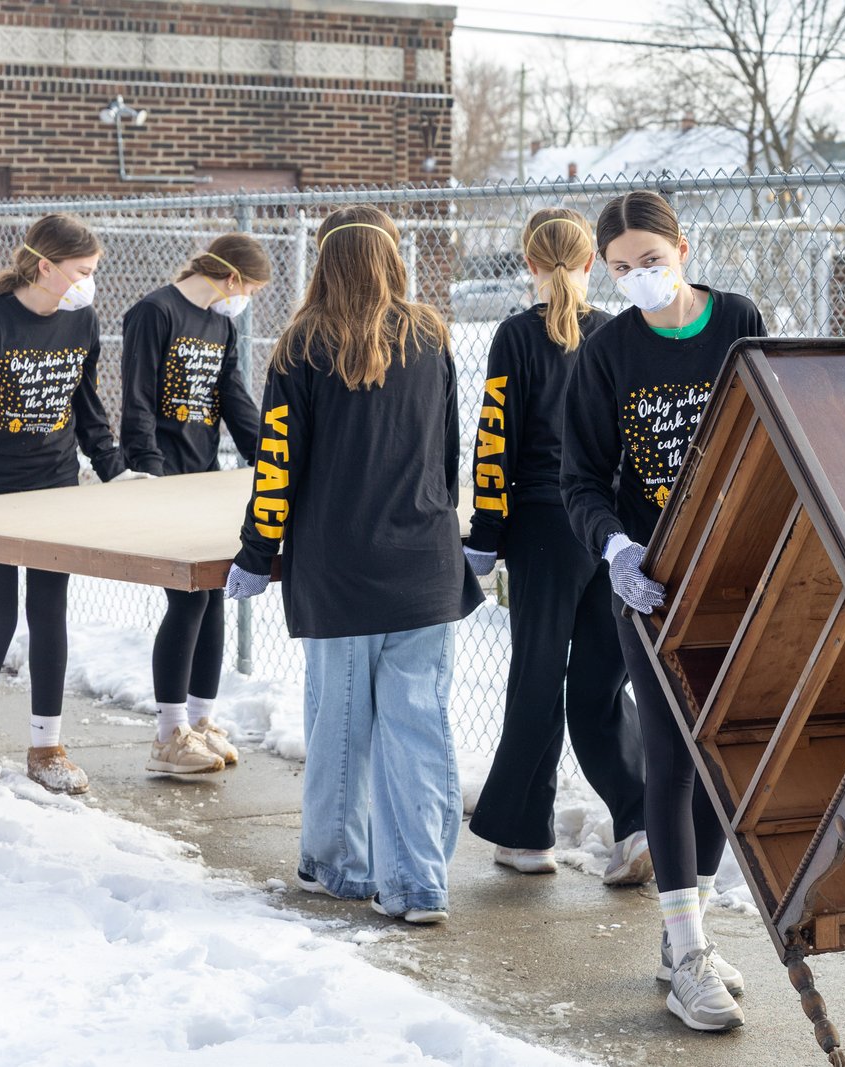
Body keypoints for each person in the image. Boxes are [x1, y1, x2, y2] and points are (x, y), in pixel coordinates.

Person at [223, 205, 482, 925]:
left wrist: (256, 553)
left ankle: (340, 866)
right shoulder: (432, 336)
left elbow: (277, 464)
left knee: (340, 723)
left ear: (325, 263)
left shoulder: (301, 344)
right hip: (426, 563)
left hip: (338, 570)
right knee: (420, 726)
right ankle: (420, 883)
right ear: (392, 260)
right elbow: (447, 454)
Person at [561, 190, 765, 1033]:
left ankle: (692, 933)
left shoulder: (739, 320)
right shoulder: (607, 352)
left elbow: (775, 428)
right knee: (674, 762)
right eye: (619, 269)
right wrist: (615, 550)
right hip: (653, 587)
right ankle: (685, 957)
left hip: (741, 576)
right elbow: (580, 478)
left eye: (650, 260)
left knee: (724, 762)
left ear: (684, 247)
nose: (639, 278)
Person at [464, 208, 649, 883]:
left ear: (530, 264)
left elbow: (494, 444)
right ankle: (640, 824)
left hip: (544, 526)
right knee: (603, 683)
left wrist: (486, 537)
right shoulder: (619, 334)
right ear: (592, 263)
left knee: (537, 679)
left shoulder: (514, 337)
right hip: (611, 532)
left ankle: (524, 835)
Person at [0, 214, 144, 794]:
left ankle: (46, 746)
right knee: (0, 615)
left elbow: (87, 406)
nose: (90, 282)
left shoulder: (81, 317)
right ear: (45, 267)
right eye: (83, 271)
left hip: (56, 485)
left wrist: (114, 471)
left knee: (50, 612)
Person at [121, 233, 269, 779]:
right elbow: (135, 398)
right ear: (232, 278)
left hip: (203, 477)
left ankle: (201, 720)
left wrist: (270, 457)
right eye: (250, 287)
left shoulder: (221, 324)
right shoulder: (154, 312)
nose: (248, 297)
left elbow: (232, 397)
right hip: (164, 479)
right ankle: (168, 735)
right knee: (185, 604)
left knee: (214, 596)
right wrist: (147, 472)